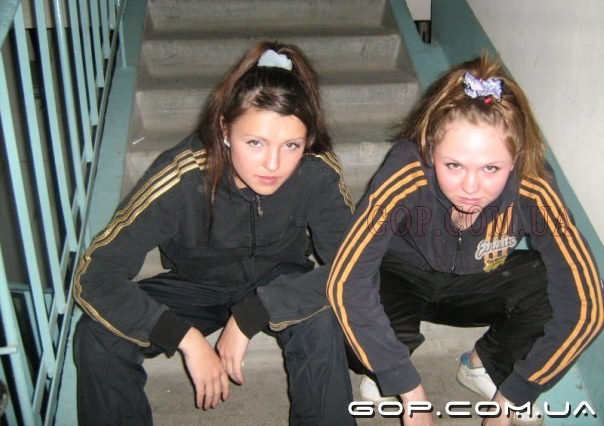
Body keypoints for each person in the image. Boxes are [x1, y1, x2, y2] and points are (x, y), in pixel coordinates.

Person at [72, 41, 356, 426]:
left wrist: (256, 312)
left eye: (291, 145)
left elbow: (354, 264)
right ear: (224, 129)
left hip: (278, 277)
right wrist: (184, 337)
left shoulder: (316, 170)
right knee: (97, 335)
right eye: (255, 143)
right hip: (197, 284)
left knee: (320, 317)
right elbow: (96, 275)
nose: (273, 164)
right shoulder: (181, 176)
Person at [323, 54, 603, 425]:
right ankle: (384, 369)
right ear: (429, 150)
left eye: (491, 168)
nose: (471, 187)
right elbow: (345, 281)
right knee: (344, 325)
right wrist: (406, 386)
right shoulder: (407, 167)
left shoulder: (533, 184)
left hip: (479, 279)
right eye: (453, 165)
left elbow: (587, 306)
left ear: (516, 159)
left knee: (553, 283)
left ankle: (482, 364)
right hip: (402, 273)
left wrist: (512, 398)